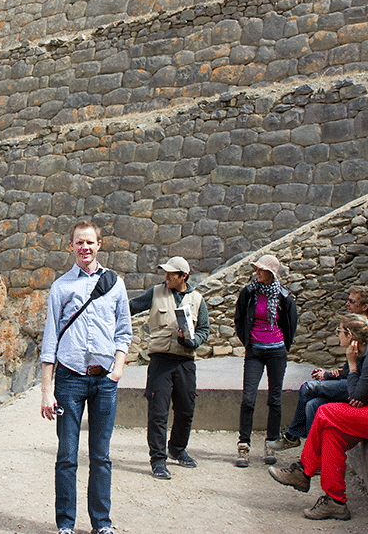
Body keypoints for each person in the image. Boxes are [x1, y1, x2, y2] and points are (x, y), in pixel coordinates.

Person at [269, 314, 368, 521]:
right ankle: (335, 502)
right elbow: (356, 394)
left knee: (325, 412)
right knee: (331, 433)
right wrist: (357, 387)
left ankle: (303, 471)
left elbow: (355, 394)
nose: (337, 335)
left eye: (339, 331)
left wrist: (352, 366)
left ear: (351, 336)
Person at [40, 220, 132, 534]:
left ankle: (101, 524)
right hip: (70, 380)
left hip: (104, 381)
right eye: (79, 243)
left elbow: (124, 332)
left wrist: (117, 371)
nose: (85, 248)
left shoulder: (115, 284)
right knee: (67, 454)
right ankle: (65, 524)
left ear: (99, 244)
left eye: (90, 242)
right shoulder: (61, 287)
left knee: (101, 456)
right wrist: (46, 390)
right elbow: (50, 340)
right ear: (71, 246)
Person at [269, 285, 368, 451]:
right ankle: (314, 456)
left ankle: (293, 436)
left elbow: (365, 372)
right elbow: (351, 367)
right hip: (352, 380)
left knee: (309, 388)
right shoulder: (358, 325)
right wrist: (330, 375)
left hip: (366, 389)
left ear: (364, 307)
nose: (347, 304)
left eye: (352, 301)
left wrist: (340, 374)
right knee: (313, 405)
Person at [128, 256, 210, 479]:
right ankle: (158, 460)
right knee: (158, 412)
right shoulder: (155, 292)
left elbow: (204, 329)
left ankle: (177, 448)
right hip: (160, 361)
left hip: (185, 361)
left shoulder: (197, 299)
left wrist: (193, 341)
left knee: (186, 409)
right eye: (165, 273)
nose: (166, 277)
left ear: (184, 276)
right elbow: (131, 307)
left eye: (171, 274)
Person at [233, 253, 297, 468]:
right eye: (256, 269)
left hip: (276, 351)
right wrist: (248, 342)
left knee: (275, 399)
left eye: (261, 270)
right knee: (248, 398)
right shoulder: (249, 293)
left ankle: (270, 442)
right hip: (255, 351)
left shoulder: (284, 297)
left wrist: (282, 346)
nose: (256, 273)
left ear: (271, 273)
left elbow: (290, 325)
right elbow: (239, 318)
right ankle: (243, 444)